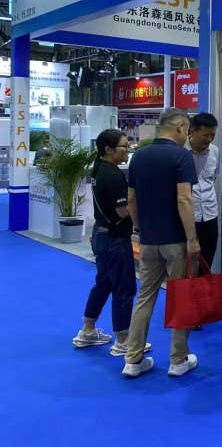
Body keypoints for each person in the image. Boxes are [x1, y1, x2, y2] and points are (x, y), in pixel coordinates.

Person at [123, 108, 200, 378]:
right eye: (187, 130)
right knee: (180, 297)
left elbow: (131, 199)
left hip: (148, 240)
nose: (187, 136)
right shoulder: (181, 156)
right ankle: (178, 360)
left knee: (145, 296)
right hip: (176, 241)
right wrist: (192, 239)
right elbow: (184, 199)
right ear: (179, 127)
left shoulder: (139, 156)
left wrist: (139, 228)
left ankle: (133, 359)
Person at [73, 130, 150, 357]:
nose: (128, 150)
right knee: (124, 288)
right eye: (124, 146)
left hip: (101, 235)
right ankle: (123, 341)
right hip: (115, 240)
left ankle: (87, 329)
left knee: (104, 283)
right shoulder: (113, 175)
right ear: (108, 149)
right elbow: (123, 210)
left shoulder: (99, 169)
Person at [188, 113, 220, 274]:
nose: (209, 139)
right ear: (192, 131)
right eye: (206, 135)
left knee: (207, 260)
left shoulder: (215, 151)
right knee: (187, 262)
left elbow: (213, 177)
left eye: (212, 135)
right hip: (189, 216)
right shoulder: (180, 152)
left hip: (210, 213)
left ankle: (203, 288)